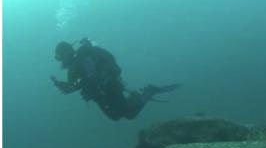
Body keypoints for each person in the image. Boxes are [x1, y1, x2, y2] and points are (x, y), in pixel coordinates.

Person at [51, 39, 180, 121]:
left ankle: (148, 92)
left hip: (109, 86)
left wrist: (108, 74)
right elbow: (75, 85)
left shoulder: (87, 54)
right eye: (59, 58)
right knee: (115, 116)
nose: (61, 61)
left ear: (67, 52)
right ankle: (141, 94)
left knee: (129, 114)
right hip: (98, 95)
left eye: (61, 56)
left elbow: (109, 60)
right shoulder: (72, 70)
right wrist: (63, 87)